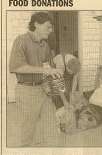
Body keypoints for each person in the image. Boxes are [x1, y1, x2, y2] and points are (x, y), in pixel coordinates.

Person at [8, 12, 63, 147]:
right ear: (36, 24)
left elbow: (47, 68)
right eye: (48, 27)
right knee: (28, 131)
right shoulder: (21, 40)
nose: (50, 31)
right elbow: (17, 67)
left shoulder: (45, 45)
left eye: (51, 28)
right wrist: (45, 70)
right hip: (26, 91)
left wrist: (55, 73)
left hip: (43, 90)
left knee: (51, 125)